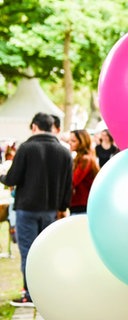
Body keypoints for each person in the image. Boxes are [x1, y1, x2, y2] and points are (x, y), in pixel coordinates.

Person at [0, 112, 73, 307]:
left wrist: (3, 177)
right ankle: (46, 290)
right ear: (52, 127)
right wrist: (62, 207)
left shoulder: (26, 148)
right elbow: (68, 184)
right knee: (47, 252)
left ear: (34, 126)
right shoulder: (64, 151)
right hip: (51, 209)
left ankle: (31, 294)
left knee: (28, 252)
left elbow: (13, 178)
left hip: (27, 208)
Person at [69, 130, 99, 215]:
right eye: (69, 140)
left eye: (73, 141)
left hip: (81, 205)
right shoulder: (81, 158)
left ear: (82, 142)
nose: (70, 143)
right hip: (79, 204)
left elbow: (73, 181)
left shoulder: (85, 159)